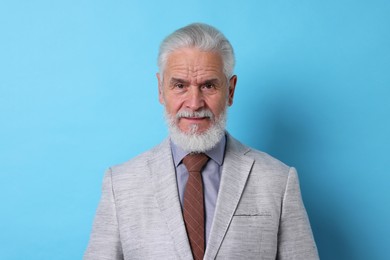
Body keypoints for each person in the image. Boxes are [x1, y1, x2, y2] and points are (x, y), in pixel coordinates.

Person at [84, 23, 319, 260]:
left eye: (208, 85)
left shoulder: (278, 180)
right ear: (160, 89)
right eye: (180, 86)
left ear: (230, 90)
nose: (194, 103)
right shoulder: (120, 184)